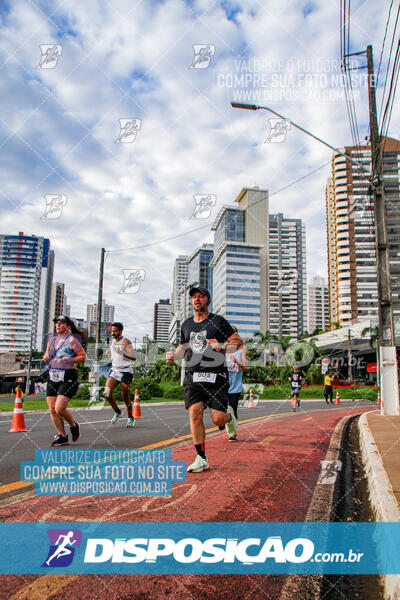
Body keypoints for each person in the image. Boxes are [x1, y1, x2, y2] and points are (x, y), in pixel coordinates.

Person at [166, 287, 243, 473]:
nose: (197, 299)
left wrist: (222, 346)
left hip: (216, 374)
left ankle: (229, 417)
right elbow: (182, 350)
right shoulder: (186, 325)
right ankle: (201, 458)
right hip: (194, 374)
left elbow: (238, 341)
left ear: (208, 301)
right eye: (194, 297)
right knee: (194, 412)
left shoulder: (218, 321)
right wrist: (173, 357)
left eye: (201, 296)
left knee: (218, 420)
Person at [43, 316, 86, 446]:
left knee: (59, 408)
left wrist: (70, 360)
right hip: (53, 375)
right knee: (52, 409)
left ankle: (73, 425)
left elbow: (83, 356)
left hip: (68, 376)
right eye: (57, 323)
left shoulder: (72, 341)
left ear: (68, 326)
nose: (58, 325)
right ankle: (62, 436)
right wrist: (46, 357)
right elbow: (47, 355)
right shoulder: (51, 341)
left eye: (62, 323)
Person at [104, 322, 136, 428]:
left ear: (121, 331)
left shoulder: (126, 342)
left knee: (125, 397)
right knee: (107, 393)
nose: (113, 333)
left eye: (115, 331)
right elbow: (114, 353)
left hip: (126, 371)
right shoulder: (113, 341)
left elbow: (133, 356)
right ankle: (117, 412)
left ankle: (131, 417)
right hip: (115, 370)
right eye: (112, 331)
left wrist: (122, 352)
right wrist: (110, 352)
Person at [224, 326, 248, 441]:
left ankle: (232, 434)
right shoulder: (222, 348)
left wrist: (236, 361)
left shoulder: (242, 349)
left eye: (233, 333)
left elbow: (246, 367)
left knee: (232, 409)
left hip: (235, 387)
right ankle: (223, 421)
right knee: (221, 410)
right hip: (223, 386)